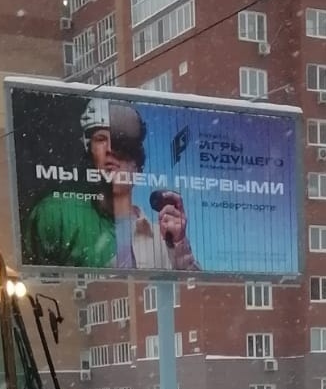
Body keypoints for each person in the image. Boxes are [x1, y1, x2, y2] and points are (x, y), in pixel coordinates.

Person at [23, 98, 199, 272]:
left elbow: (196, 294)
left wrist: (179, 247)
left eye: (121, 141)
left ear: (137, 163)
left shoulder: (162, 240)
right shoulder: (56, 214)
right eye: (101, 138)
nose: (111, 149)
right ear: (88, 149)